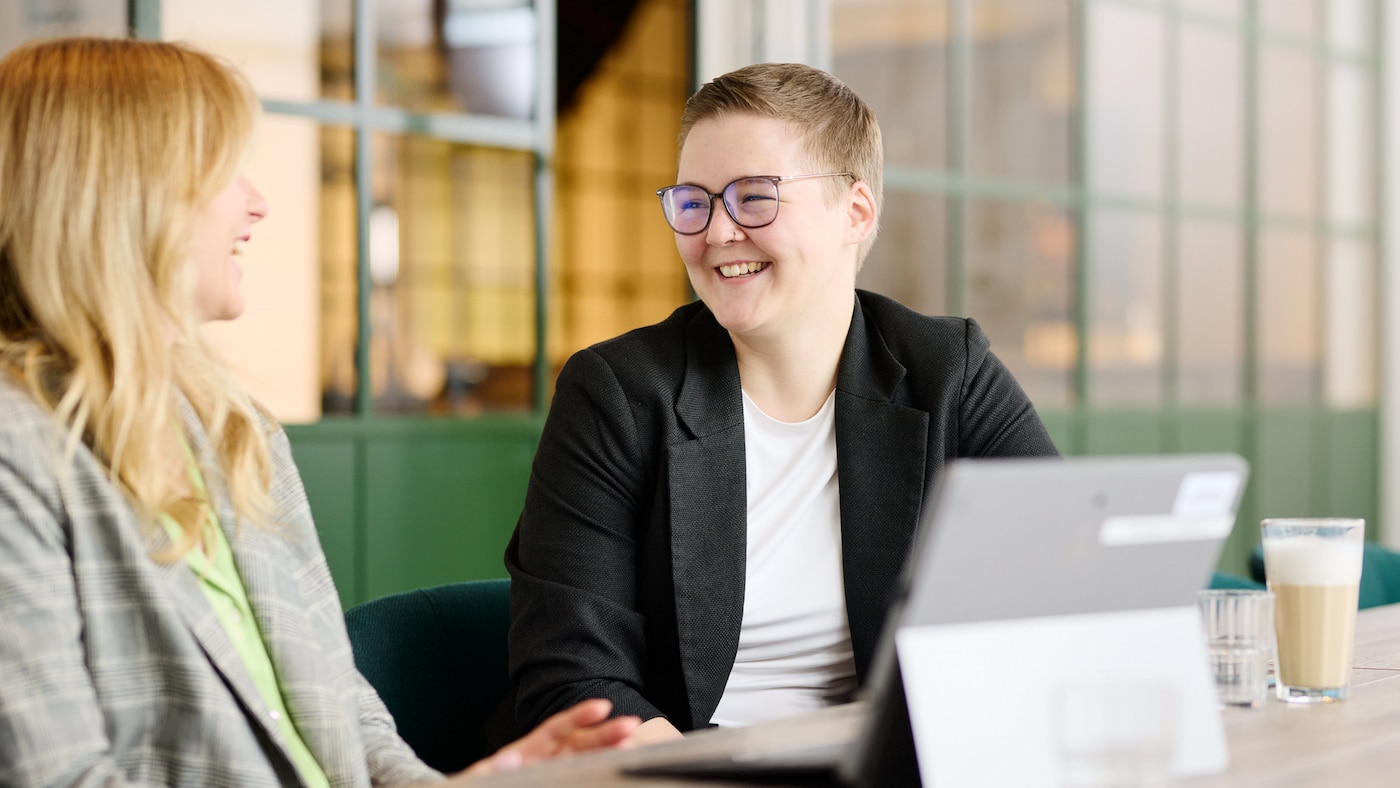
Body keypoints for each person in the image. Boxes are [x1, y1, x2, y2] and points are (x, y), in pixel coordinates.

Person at [0, 37, 637, 786]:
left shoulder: (236, 427)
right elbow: (61, 776)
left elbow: (336, 699)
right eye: (222, 173)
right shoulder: (19, 451)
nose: (257, 202)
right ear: (118, 196)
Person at [506, 62, 1059, 745]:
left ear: (855, 213)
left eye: (754, 198)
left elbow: (1064, 584)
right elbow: (570, 679)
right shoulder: (617, 395)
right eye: (694, 201)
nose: (715, 234)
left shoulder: (948, 374)